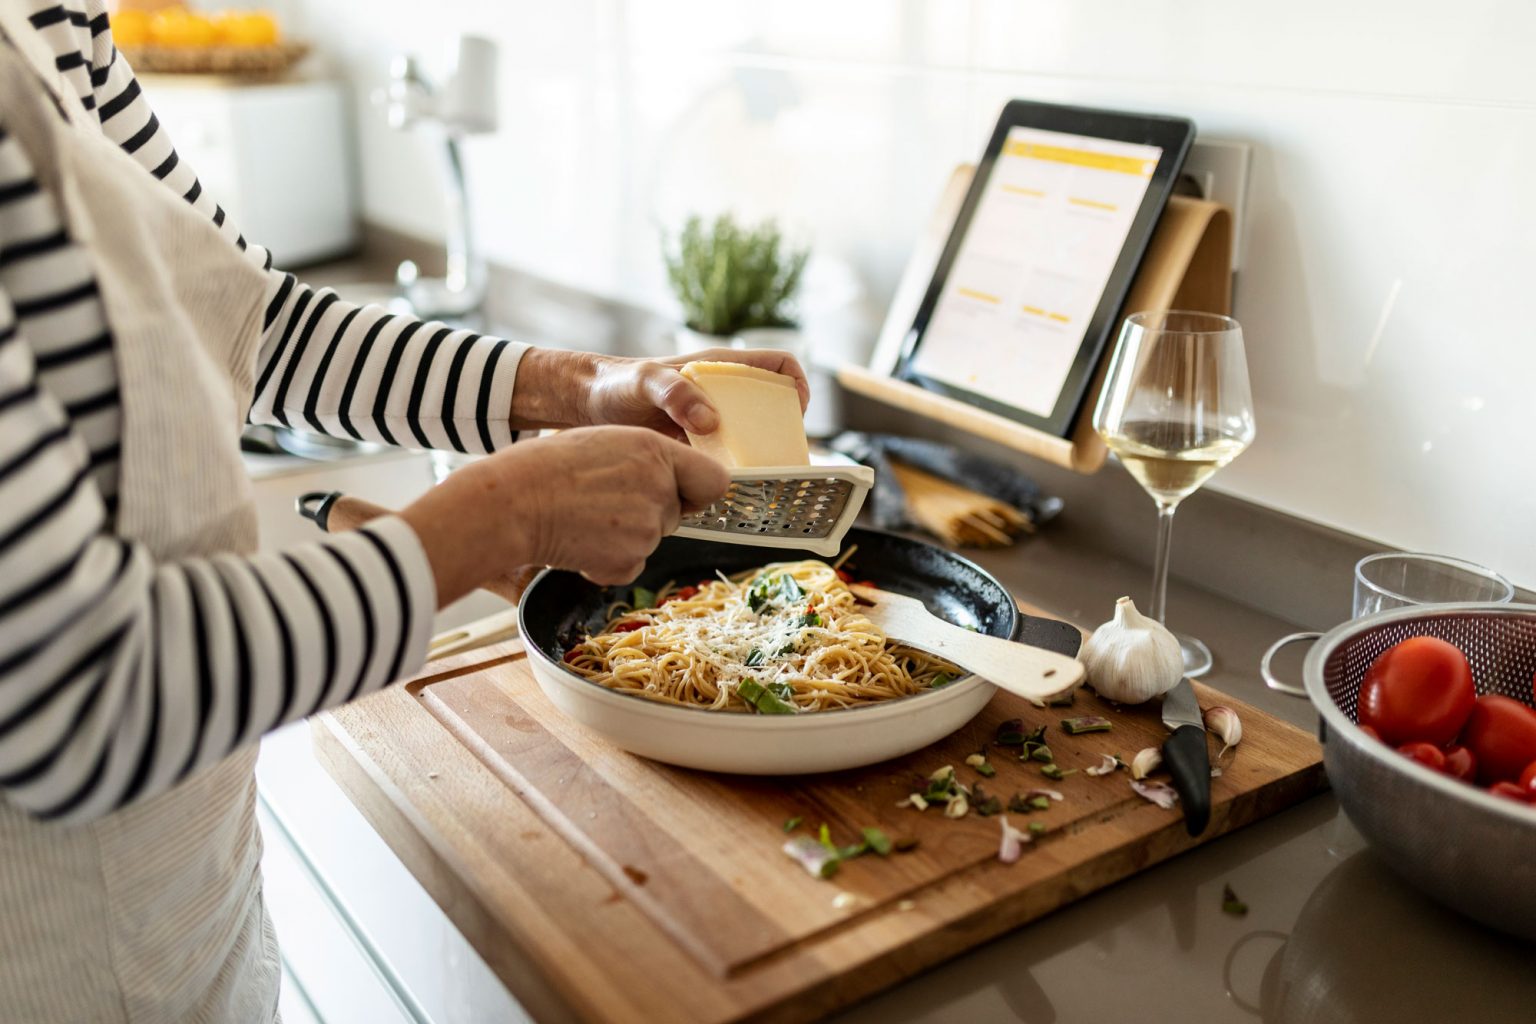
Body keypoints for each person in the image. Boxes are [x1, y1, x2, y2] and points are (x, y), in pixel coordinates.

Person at [0, 3, 808, 1020]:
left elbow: (258, 327)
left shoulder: (55, 20)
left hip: (187, 903)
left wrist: (580, 383)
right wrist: (510, 516)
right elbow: (81, 696)